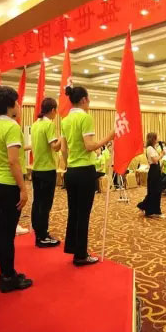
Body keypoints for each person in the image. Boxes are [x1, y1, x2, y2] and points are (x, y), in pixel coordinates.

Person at [61, 86, 114, 264]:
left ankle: (73, 248)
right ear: (83, 99)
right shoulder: (85, 117)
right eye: (89, 99)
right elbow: (90, 146)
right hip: (84, 171)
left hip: (71, 171)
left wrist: (68, 165)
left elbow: (63, 149)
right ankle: (81, 255)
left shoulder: (65, 120)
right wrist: (109, 137)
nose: (89, 103)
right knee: (83, 214)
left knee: (74, 212)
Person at [0, 86, 33, 292]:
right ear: (10, 105)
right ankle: (7, 277)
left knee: (1, 232)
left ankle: (7, 272)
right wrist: (23, 189)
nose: (19, 105)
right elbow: (13, 161)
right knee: (6, 234)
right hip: (8, 185)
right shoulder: (12, 126)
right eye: (17, 101)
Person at [30, 97, 62, 248]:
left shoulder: (36, 124)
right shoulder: (49, 124)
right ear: (53, 110)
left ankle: (38, 232)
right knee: (45, 204)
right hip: (47, 169)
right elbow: (54, 146)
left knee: (37, 202)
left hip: (36, 169)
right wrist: (62, 137)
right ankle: (42, 236)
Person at [137, 132, 165, 218]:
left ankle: (144, 206)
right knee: (155, 191)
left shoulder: (152, 148)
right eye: (157, 137)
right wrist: (161, 155)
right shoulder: (149, 148)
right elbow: (155, 160)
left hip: (155, 170)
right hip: (154, 170)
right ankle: (154, 211)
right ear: (153, 139)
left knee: (155, 191)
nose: (158, 138)